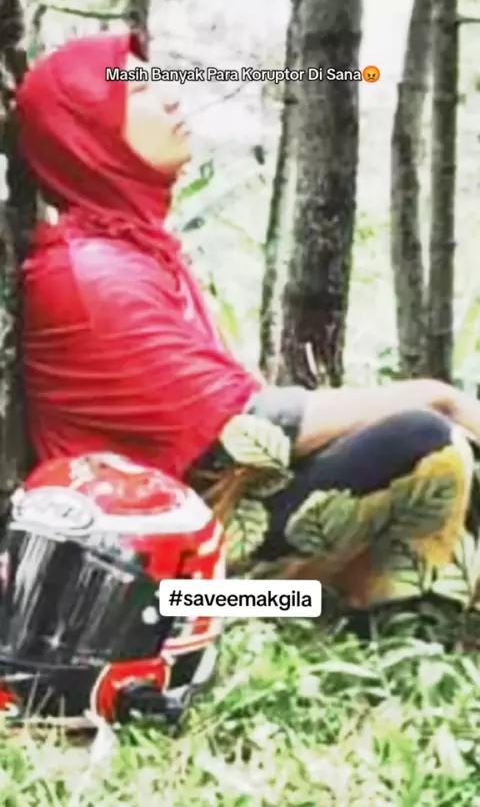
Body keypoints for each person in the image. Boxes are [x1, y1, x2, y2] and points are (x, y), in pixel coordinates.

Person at [15, 31, 480, 615]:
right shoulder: (93, 276)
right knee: (426, 442)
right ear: (87, 136)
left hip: (198, 536)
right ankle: (368, 613)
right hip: (160, 591)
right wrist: (439, 396)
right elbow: (242, 431)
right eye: (137, 90)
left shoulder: (133, 254)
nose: (171, 96)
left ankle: (386, 608)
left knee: (431, 446)